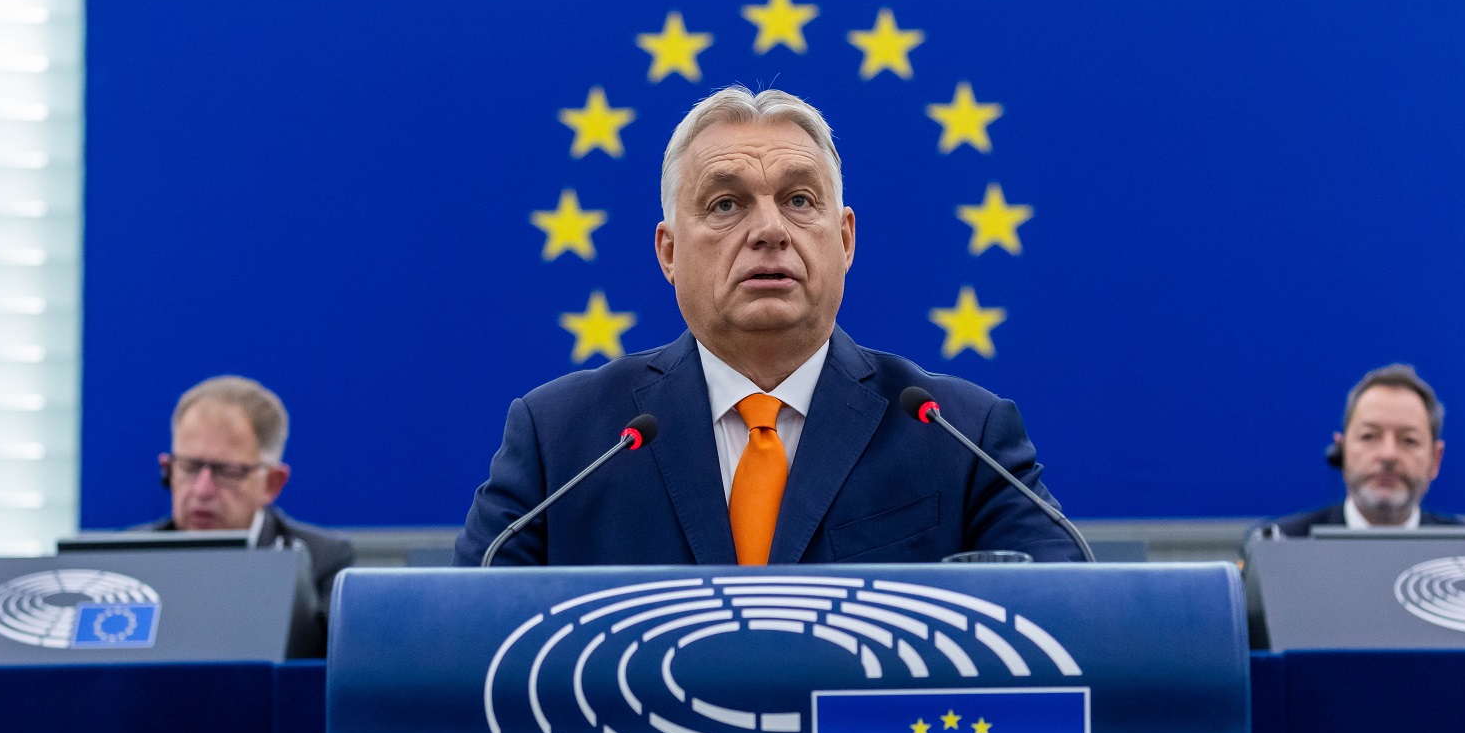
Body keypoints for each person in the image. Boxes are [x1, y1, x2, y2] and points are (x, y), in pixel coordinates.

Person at [454, 87, 1083, 566]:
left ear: (845, 240)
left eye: (800, 200)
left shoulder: (960, 437)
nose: (769, 230)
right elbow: (451, 649)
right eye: (725, 204)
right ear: (668, 253)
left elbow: (1077, 634)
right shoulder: (564, 443)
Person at [146, 375, 355, 602]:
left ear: (272, 483)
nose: (202, 491)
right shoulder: (128, 559)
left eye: (227, 471)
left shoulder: (320, 565)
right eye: (189, 467)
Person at [1259, 363, 1462, 537]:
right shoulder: (1281, 545)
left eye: (1408, 440)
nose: (1388, 455)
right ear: (1342, 449)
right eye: (1369, 436)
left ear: (1435, 459)